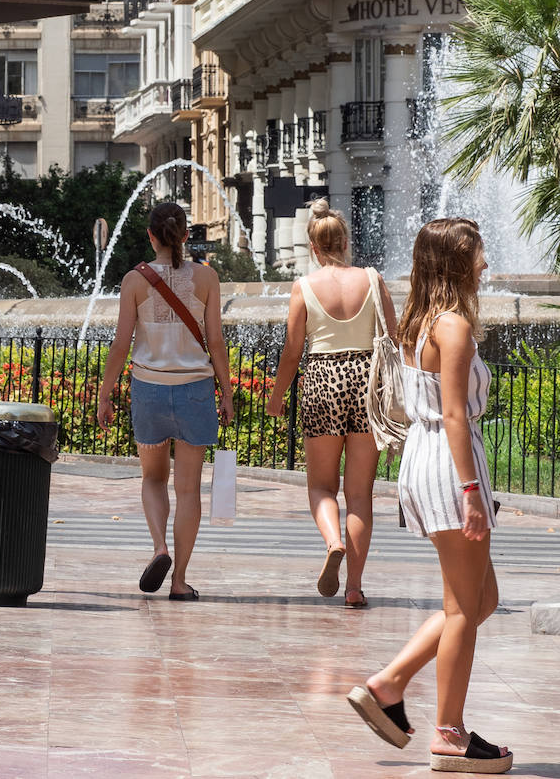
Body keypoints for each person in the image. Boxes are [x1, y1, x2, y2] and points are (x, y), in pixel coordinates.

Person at [347, 219, 511, 774]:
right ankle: (449, 732)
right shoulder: (455, 326)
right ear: (457, 263)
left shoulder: (422, 323)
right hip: (450, 463)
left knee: (479, 599)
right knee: (465, 607)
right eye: (478, 254)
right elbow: (456, 413)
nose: (487, 263)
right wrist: (471, 491)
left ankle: (389, 683)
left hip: (425, 458)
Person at [96, 201, 234, 601]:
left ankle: (160, 547)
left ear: (151, 236)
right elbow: (217, 341)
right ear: (186, 236)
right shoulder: (207, 278)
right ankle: (179, 581)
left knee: (153, 478)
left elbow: (122, 343)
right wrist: (225, 392)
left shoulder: (134, 281)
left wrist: (106, 393)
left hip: (149, 388)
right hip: (195, 389)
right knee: (188, 489)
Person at [266, 199, 396, 608]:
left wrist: (276, 395)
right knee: (360, 495)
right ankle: (354, 588)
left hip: (323, 379)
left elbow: (292, 351)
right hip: (366, 383)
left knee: (322, 485)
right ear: (345, 241)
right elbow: (392, 338)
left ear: (313, 248)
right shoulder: (373, 279)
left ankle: (333, 541)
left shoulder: (304, 287)